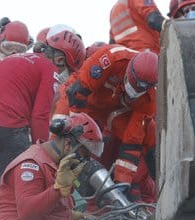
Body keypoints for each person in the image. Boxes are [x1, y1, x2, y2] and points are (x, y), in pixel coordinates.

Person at [0, 29, 85, 183]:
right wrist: (44, 156)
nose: (64, 77)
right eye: (67, 71)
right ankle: (11, 201)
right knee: (28, 169)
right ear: (60, 60)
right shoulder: (50, 68)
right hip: (3, 130)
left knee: (7, 161)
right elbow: (39, 117)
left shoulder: (15, 59)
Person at [66, 45, 158, 201]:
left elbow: (132, 141)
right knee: (65, 133)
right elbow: (78, 92)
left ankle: (133, 188)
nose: (134, 92)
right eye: (132, 83)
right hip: (81, 100)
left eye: (140, 90)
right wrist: (73, 135)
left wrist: (122, 182)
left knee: (148, 132)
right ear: (129, 71)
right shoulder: (111, 59)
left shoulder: (149, 98)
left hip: (112, 110)